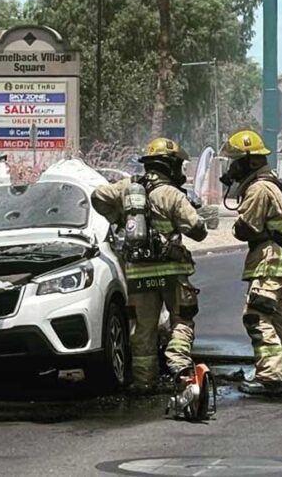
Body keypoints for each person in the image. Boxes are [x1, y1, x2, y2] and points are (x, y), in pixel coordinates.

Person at [91, 138, 208, 393]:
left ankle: (144, 383)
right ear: (170, 166)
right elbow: (198, 231)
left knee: (143, 330)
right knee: (182, 321)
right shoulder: (172, 194)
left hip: (139, 274)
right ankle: (179, 368)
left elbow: (97, 196)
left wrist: (119, 220)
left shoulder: (127, 188)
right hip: (172, 273)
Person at [219, 130, 282, 396]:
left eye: (236, 161)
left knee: (257, 316)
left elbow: (246, 228)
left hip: (268, 261)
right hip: (279, 261)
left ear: (250, 162)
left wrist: (237, 226)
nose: (232, 168)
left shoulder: (258, 188)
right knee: (277, 320)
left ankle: (269, 377)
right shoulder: (271, 182)